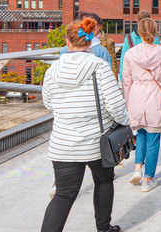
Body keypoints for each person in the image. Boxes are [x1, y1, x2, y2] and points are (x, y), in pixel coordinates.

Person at [40, 17, 129, 232]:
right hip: (97, 142)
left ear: (67, 42)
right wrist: (125, 124)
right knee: (104, 181)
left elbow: (48, 103)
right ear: (90, 42)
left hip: (63, 144)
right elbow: (115, 105)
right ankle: (104, 228)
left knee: (63, 194)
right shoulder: (99, 66)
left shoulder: (52, 69)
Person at [121, 18, 161, 192]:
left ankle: (138, 168)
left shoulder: (130, 53)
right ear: (155, 31)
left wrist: (128, 102)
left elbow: (126, 81)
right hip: (155, 96)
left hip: (137, 95)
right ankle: (148, 179)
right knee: (153, 139)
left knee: (141, 134)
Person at [119, 10, 159, 82]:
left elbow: (123, 60)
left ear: (137, 20)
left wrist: (122, 79)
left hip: (134, 78)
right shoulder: (155, 39)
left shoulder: (128, 38)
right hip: (151, 79)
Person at [86, 12, 117, 78]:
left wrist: (114, 81)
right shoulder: (82, 38)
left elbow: (113, 64)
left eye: (93, 24)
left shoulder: (108, 42)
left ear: (99, 27)